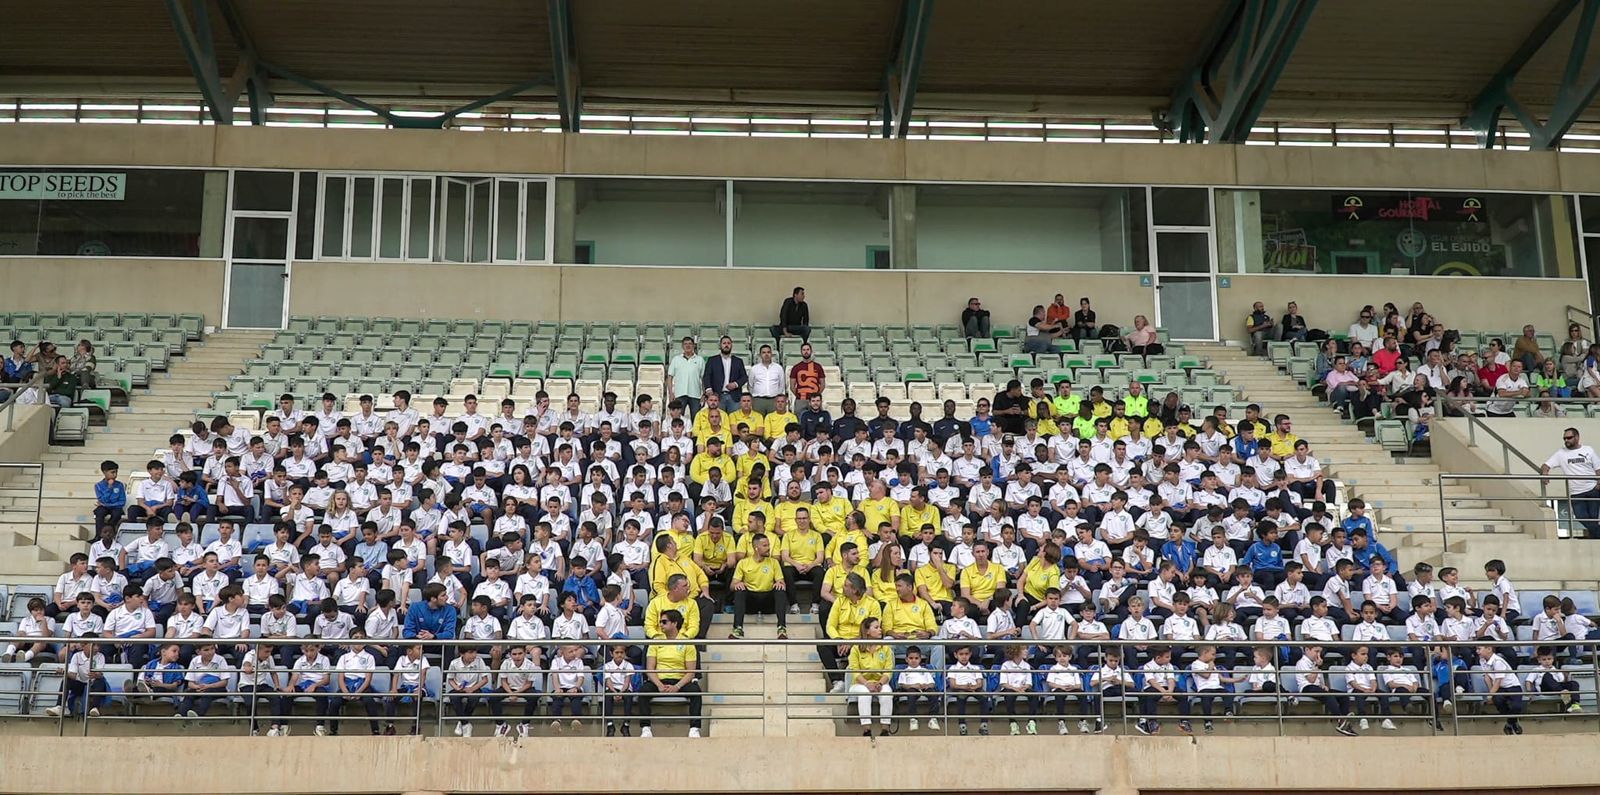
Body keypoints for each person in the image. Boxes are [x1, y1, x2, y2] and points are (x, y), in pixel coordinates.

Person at [638, 609, 703, 738]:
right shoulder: (656, 641)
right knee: (643, 691)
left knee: (696, 691)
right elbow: (649, 668)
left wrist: (677, 687)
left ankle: (694, 728)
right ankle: (646, 728)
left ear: (674, 623)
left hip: (680, 680)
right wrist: (659, 685)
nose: (660, 625)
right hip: (659, 679)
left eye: (664, 622)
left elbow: (691, 671)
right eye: (660, 622)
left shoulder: (687, 642)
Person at [1542, 428, 1600, 539]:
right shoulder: (1561, 453)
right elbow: (1546, 465)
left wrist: (1599, 484)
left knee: (1593, 519)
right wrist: (1545, 473)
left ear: (1577, 437)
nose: (1566, 440)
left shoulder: (1588, 450)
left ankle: (1595, 544)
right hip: (1576, 493)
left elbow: (1598, 469)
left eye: (1569, 438)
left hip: (1592, 489)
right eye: (1564, 438)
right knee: (1581, 517)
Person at [847, 616, 895, 736]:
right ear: (867, 631)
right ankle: (866, 730)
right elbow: (854, 671)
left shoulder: (886, 648)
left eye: (880, 627)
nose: (880, 630)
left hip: (880, 682)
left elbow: (888, 670)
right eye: (876, 627)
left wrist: (879, 683)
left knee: (887, 692)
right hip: (859, 683)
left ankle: (885, 729)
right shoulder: (856, 648)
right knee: (864, 692)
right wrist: (867, 683)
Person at [702, 336, 748, 412]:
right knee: (718, 420)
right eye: (724, 343)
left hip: (734, 396)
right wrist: (709, 390)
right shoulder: (712, 360)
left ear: (731, 345)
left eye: (728, 343)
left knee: (734, 421)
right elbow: (707, 376)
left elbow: (744, 377)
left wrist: (735, 384)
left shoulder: (738, 361)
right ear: (720, 345)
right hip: (717, 396)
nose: (726, 345)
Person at [665, 337, 706, 416]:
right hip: (679, 393)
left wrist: (704, 394)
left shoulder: (700, 360)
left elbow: (703, 378)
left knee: (696, 419)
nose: (688, 346)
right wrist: (670, 393)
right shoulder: (676, 359)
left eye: (690, 344)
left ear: (694, 346)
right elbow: (670, 377)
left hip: (695, 394)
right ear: (682, 346)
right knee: (678, 418)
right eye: (685, 344)